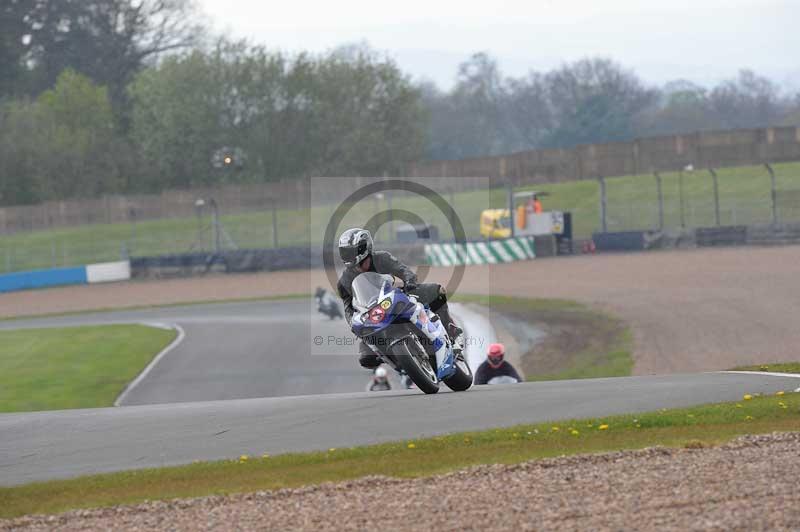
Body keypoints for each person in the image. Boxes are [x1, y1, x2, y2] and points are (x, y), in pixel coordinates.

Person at [337, 227, 463, 369]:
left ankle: (451, 332)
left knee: (437, 291)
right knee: (366, 359)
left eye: (351, 252)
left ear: (364, 248)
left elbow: (403, 270)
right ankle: (398, 360)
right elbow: (348, 309)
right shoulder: (344, 281)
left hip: (397, 297)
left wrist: (410, 281)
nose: (357, 265)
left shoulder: (382, 258)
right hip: (374, 315)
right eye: (345, 252)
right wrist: (354, 325)